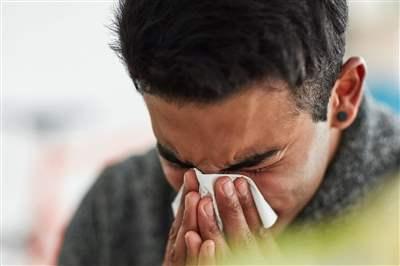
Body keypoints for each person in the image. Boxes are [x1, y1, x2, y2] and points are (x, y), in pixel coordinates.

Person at [57, 0, 399, 265]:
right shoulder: (114, 209)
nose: (213, 198)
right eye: (177, 159)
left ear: (343, 97)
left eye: (254, 165)